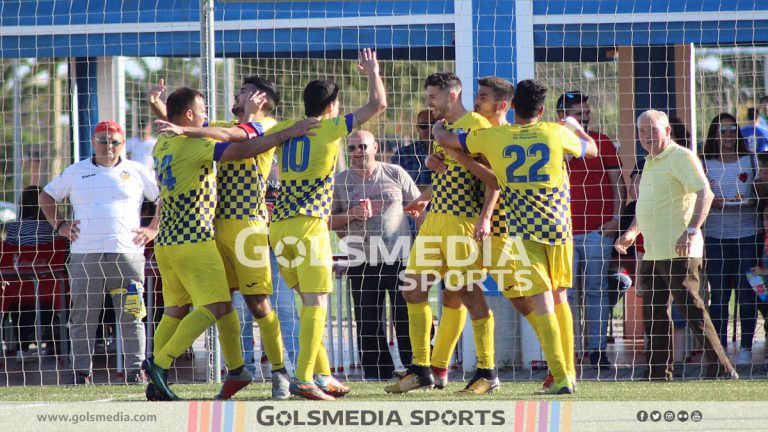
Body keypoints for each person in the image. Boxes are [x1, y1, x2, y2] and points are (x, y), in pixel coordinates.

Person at [141, 87, 317, 401]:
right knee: (221, 304)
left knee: (258, 303)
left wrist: (164, 112)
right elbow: (190, 128)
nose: (236, 95)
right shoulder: (213, 128)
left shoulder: (269, 125)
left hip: (248, 226)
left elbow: (239, 139)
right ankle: (236, 370)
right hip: (213, 228)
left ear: (261, 100)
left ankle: (279, 373)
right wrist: (164, 112)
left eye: (245, 92)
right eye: (237, 92)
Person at [433, 79, 598, 394]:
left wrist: (440, 131)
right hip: (560, 227)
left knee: (539, 299)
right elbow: (590, 149)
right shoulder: (555, 132)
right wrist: (576, 126)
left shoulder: (493, 136)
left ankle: (561, 376)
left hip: (523, 230)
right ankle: (568, 372)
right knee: (560, 295)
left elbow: (449, 139)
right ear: (542, 109)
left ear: (510, 106)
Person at [265, 48, 386, 400]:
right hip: (309, 227)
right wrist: (373, 72)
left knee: (308, 304)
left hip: (279, 228)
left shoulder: (288, 127)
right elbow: (378, 104)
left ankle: (323, 375)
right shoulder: (330, 128)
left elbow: (259, 141)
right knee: (318, 305)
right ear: (332, 106)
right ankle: (302, 378)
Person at [385, 72, 499, 395]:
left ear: (453, 95)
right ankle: (421, 368)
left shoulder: (477, 126)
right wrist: (425, 196)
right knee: (412, 289)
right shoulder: (441, 129)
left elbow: (495, 179)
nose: (428, 103)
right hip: (434, 221)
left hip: (463, 223)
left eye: (433, 97)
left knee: (469, 296)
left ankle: (487, 371)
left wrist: (486, 216)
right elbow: (450, 175)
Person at [615, 109, 737, 380]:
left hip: (680, 251)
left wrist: (691, 230)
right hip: (653, 253)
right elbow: (647, 204)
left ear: (668, 131)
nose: (646, 137)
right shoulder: (649, 161)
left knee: (693, 310)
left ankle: (722, 368)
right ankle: (658, 373)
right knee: (655, 315)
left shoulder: (681, 156)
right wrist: (632, 233)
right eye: (642, 132)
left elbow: (705, 193)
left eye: (653, 130)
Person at [39, 120, 160, 385]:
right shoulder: (76, 171)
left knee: (132, 315)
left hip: (127, 257)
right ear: (93, 142)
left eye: (115, 141)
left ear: (123, 144)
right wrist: (59, 225)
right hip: (86, 256)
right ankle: (81, 372)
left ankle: (136, 369)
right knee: (83, 316)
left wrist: (153, 228)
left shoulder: (137, 170)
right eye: (103, 140)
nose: (109, 146)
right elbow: (46, 196)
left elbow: (163, 197)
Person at [330, 130, 420, 380]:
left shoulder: (395, 173)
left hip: (400, 257)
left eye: (363, 146)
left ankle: (416, 367)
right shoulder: (340, 181)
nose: (358, 152)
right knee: (368, 321)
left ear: (375, 147)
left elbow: (418, 205)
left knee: (406, 316)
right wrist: (352, 214)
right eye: (353, 148)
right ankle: (376, 372)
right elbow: (327, 221)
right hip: (361, 258)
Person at [556, 91, 621, 369]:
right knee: (565, 294)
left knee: (597, 291)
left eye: (587, 113)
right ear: (562, 116)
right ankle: (569, 349)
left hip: (598, 230)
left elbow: (618, 182)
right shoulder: (552, 141)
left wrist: (616, 219)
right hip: (563, 232)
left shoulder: (602, 143)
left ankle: (597, 349)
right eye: (578, 113)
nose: (585, 117)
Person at [701, 113, 761, 366]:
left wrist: (757, 197)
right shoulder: (705, 163)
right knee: (720, 294)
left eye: (731, 130)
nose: (727, 135)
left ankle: (746, 347)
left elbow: (760, 192)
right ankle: (720, 349)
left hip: (748, 234)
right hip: (716, 236)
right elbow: (699, 196)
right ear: (714, 134)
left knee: (747, 292)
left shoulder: (751, 160)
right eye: (722, 130)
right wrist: (711, 201)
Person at [5, 185, 58, 362]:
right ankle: (54, 342)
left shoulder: (14, 229)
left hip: (19, 287)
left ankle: (21, 347)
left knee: (22, 300)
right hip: (51, 288)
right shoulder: (54, 228)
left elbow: (8, 254)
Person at [391, 110, 437, 189]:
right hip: (413, 201)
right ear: (418, 129)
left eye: (434, 125)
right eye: (424, 126)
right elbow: (394, 187)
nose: (429, 130)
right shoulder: (403, 154)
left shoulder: (450, 153)